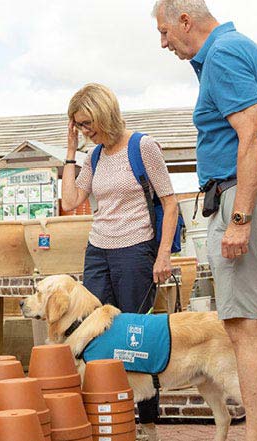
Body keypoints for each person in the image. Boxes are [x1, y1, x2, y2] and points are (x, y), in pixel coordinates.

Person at [152, 1, 257, 440]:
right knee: (253, 330)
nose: (163, 42)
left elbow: (255, 133)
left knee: (244, 332)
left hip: (240, 198)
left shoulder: (223, 55)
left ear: (185, 21)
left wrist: (243, 217)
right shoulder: (241, 49)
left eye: (164, 32)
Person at [61, 83, 179, 438]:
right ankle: (105, 416)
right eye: (79, 126)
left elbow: (170, 203)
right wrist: (71, 151)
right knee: (91, 334)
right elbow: (69, 201)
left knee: (134, 338)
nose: (85, 131)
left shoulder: (142, 146)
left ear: (103, 113)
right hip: (98, 250)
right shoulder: (92, 157)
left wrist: (162, 257)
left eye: (87, 123)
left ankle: (148, 425)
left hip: (135, 250)